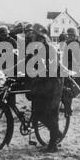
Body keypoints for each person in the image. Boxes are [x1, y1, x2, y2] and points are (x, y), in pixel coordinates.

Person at [26, 23, 64, 153]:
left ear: (41, 38)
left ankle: (53, 144)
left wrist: (36, 74)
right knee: (38, 114)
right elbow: (24, 62)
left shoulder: (51, 50)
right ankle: (58, 133)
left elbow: (51, 69)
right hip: (40, 85)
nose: (32, 38)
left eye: (34, 36)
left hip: (52, 86)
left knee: (50, 114)